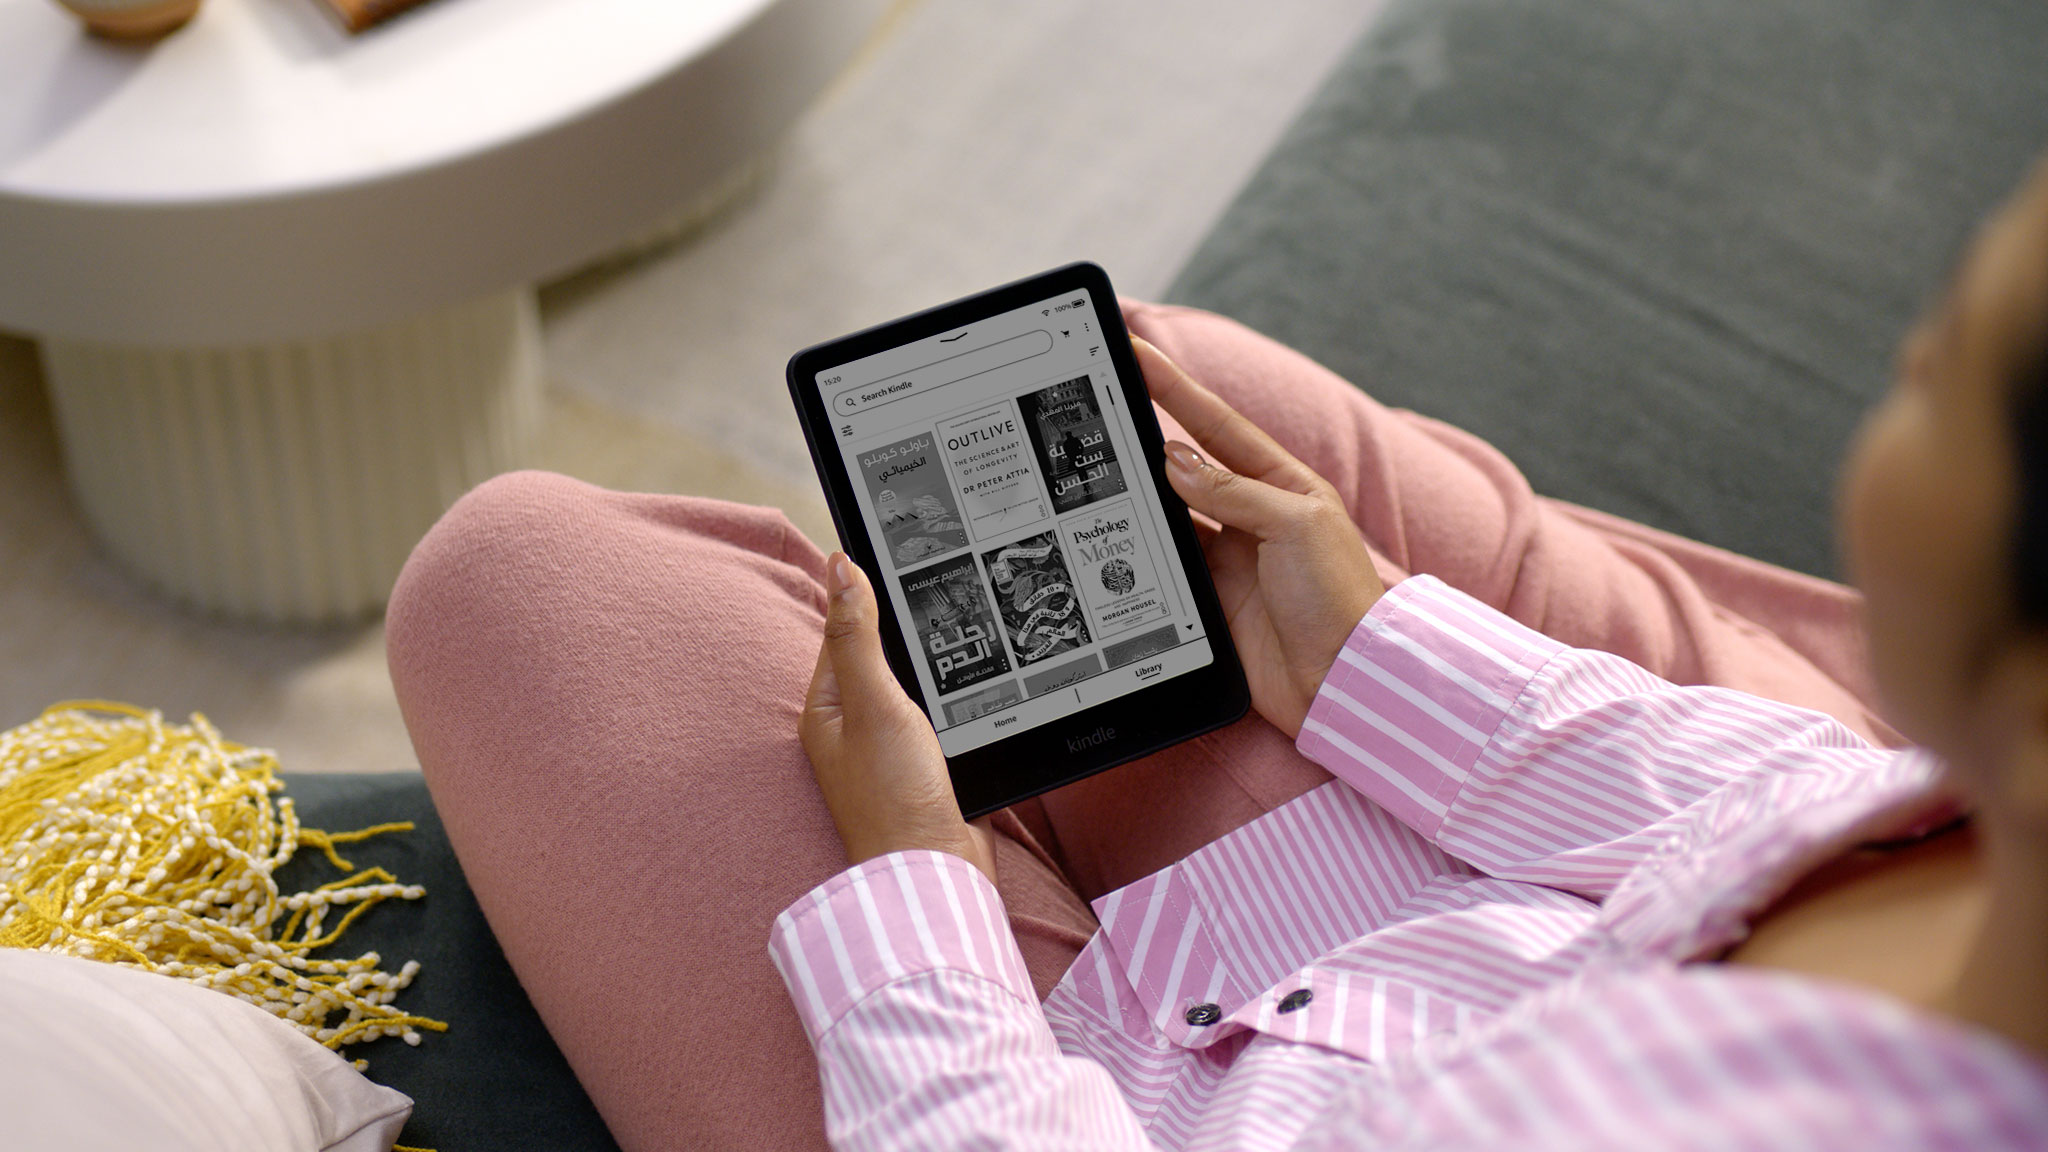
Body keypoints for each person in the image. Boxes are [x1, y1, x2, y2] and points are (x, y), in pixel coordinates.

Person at [385, 160, 2048, 1149]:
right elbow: (1787, 806)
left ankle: (999, 848)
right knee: (1147, 401)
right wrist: (1375, 656)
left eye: (1948, 377)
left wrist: (915, 901)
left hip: (1114, 1090)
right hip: (1502, 902)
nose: (1904, 352)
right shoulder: (1982, 845)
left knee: (514, 578)